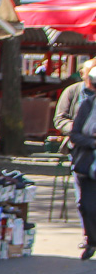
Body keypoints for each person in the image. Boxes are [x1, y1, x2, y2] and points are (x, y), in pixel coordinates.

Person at [54, 58, 96, 259]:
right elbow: (60, 119)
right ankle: (90, 237)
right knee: (84, 202)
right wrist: (80, 132)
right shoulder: (75, 93)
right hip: (82, 154)